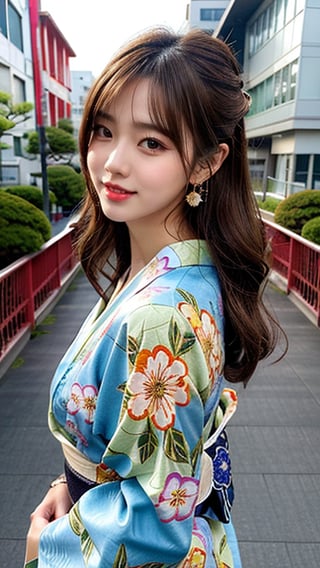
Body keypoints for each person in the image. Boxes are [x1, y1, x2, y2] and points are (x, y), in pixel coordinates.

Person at [25, 27, 283, 567]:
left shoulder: (161, 316)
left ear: (207, 162)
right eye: (102, 130)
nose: (113, 163)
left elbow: (151, 526)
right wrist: (72, 484)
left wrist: (50, 548)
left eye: (151, 143)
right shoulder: (176, 270)